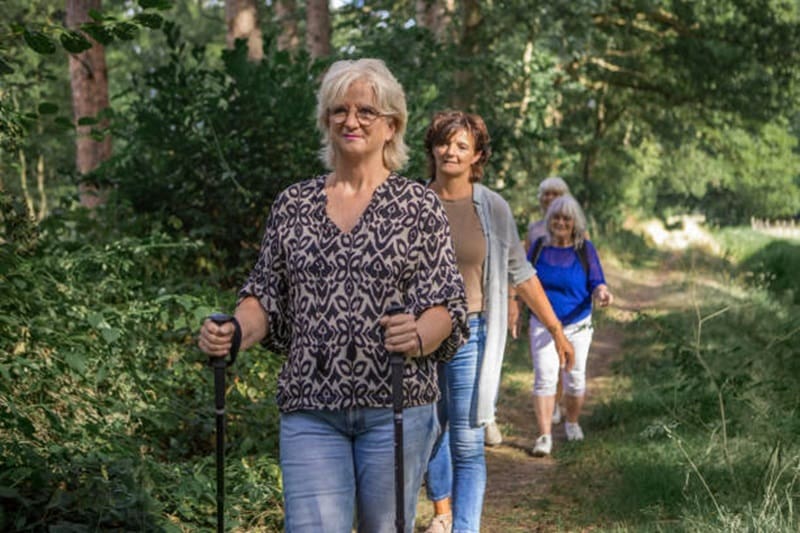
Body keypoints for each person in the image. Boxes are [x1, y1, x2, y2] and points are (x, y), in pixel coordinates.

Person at [197, 59, 470, 533]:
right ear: (326, 120)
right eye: (339, 110)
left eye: (366, 110)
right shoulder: (294, 204)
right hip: (311, 407)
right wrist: (235, 331)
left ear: (392, 125)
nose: (351, 120)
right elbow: (264, 294)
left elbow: (446, 304)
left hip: (397, 406)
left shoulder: (418, 205)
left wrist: (418, 334)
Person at [422, 110, 574, 533]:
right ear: (432, 148)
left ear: (477, 156)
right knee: (429, 431)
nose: (450, 151)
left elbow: (520, 273)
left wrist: (556, 329)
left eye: (461, 146)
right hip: (417, 338)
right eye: (443, 142)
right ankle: (442, 511)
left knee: (468, 442)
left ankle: (464, 528)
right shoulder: (411, 202)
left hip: (471, 333)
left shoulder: (491, 207)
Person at [527, 195, 613, 457]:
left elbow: (597, 280)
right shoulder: (539, 247)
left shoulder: (585, 249)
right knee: (545, 377)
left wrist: (602, 294)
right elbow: (526, 280)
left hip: (577, 324)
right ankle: (544, 436)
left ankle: (572, 421)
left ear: (575, 222)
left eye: (566, 218)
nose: (560, 222)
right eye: (556, 217)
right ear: (548, 220)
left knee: (574, 378)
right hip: (543, 324)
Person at [521, 176, 572, 425]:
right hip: (539, 301)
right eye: (546, 194)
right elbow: (525, 267)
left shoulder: (575, 225)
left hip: (566, 303)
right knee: (542, 360)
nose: (549, 199)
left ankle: (557, 403)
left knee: (561, 356)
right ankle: (548, 402)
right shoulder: (534, 228)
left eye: (555, 194)